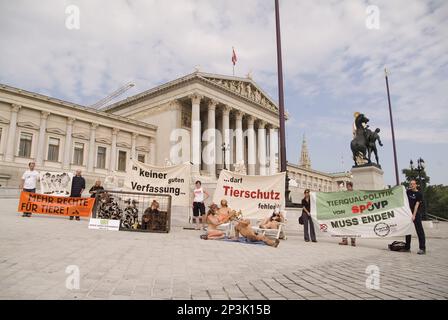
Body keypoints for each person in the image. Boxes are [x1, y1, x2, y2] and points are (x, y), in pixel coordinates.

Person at [404, 180, 426, 254]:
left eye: (413, 184)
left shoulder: (419, 194)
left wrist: (413, 215)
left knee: (419, 231)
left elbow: (417, 205)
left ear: (416, 185)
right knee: (408, 230)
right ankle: (407, 247)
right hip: (408, 214)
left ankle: (422, 248)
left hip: (416, 214)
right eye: (411, 184)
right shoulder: (408, 192)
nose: (412, 185)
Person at [339, 182, 357, 246]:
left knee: (352, 227)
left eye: (348, 186)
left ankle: (353, 241)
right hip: (345, 212)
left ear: (351, 186)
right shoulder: (345, 193)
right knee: (344, 226)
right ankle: (344, 240)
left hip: (352, 213)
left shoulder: (355, 193)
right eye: (347, 186)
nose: (347, 188)